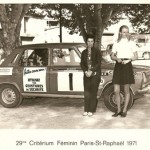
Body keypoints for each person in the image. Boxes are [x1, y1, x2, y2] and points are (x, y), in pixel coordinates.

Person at [110, 25, 138, 117]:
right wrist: (116, 58)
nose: (125, 33)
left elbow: (136, 56)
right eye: (123, 32)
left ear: (128, 32)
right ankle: (118, 109)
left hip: (127, 66)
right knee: (116, 90)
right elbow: (112, 56)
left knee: (126, 90)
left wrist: (129, 60)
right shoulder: (116, 42)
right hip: (118, 65)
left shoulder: (131, 43)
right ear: (120, 32)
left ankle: (124, 110)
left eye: (126, 31)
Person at [80, 34, 101, 117]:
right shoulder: (84, 52)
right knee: (86, 92)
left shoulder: (97, 51)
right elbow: (82, 63)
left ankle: (91, 110)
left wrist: (91, 71)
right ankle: (86, 110)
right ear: (86, 42)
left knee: (93, 92)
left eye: (92, 41)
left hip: (94, 74)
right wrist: (85, 71)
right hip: (86, 74)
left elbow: (98, 63)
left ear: (94, 42)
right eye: (88, 41)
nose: (90, 43)